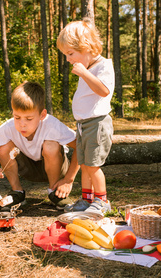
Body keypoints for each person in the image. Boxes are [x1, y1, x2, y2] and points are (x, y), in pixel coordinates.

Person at [0, 81, 79, 209]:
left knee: (50, 145)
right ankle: (17, 192)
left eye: (29, 119)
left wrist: (68, 180)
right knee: (3, 148)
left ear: (42, 115)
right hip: (27, 169)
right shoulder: (9, 127)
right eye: (17, 117)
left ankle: (54, 193)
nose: (22, 124)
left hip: (56, 168)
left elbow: (80, 147)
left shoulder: (51, 125)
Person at [56, 19, 115, 216]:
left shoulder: (104, 65)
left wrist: (84, 73)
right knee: (83, 164)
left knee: (93, 164)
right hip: (83, 124)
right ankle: (87, 199)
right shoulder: (88, 67)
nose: (68, 59)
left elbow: (104, 90)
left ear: (86, 47)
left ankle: (102, 200)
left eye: (70, 54)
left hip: (97, 124)